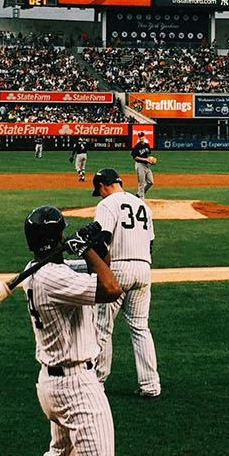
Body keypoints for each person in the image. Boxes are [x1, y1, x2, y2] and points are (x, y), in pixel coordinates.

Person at [1, 205, 122, 456]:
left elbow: (87, 267)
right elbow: (111, 288)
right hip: (76, 387)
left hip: (50, 385)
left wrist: (94, 247)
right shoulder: (54, 278)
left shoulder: (36, 270)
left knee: (59, 453)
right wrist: (90, 250)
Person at [90, 168, 161, 398]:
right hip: (144, 268)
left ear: (103, 186)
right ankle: (151, 385)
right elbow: (150, 243)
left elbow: (103, 242)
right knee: (141, 328)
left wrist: (97, 269)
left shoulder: (107, 205)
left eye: (98, 190)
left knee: (102, 328)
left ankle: (97, 383)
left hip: (118, 269)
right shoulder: (143, 205)